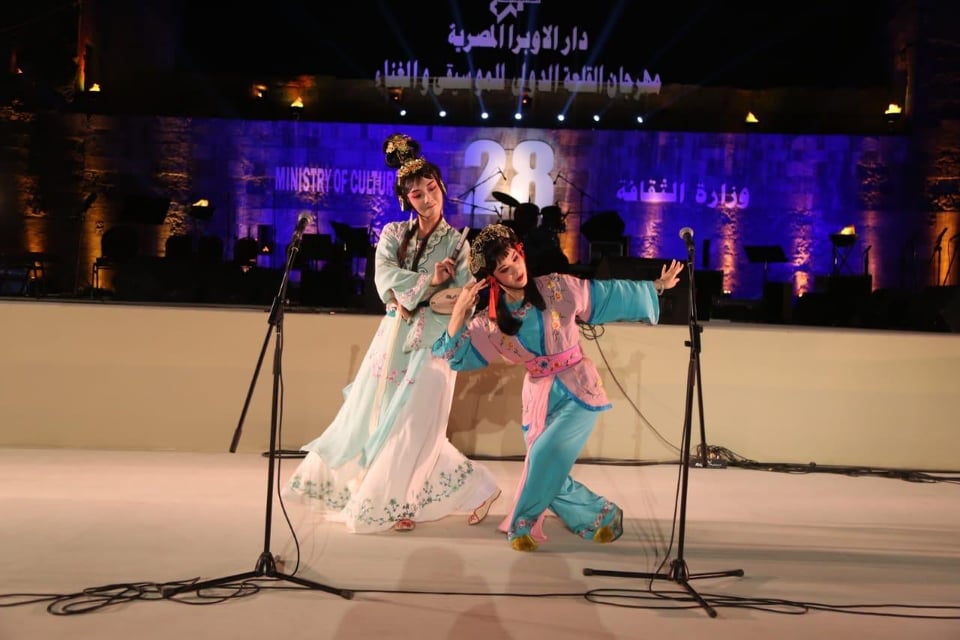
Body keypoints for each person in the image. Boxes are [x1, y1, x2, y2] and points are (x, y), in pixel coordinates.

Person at [283, 134, 501, 533]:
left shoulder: (460, 244)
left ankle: (404, 501)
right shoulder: (393, 234)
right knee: (381, 419)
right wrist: (428, 281)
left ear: (442, 188)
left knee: (415, 426)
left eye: (432, 189)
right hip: (393, 338)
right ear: (406, 199)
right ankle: (474, 488)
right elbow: (384, 278)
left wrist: (434, 293)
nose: (427, 199)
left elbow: (465, 296)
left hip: (436, 342)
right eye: (417, 194)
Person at [432, 224, 683, 551]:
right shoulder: (491, 322)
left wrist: (656, 287)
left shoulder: (557, 287)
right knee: (549, 468)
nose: (515, 270)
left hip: (578, 388)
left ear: (521, 253)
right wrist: (459, 312)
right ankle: (600, 517)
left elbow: (605, 293)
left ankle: (521, 526)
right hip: (539, 397)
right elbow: (455, 356)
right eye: (504, 269)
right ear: (493, 278)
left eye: (514, 259)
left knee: (543, 457)